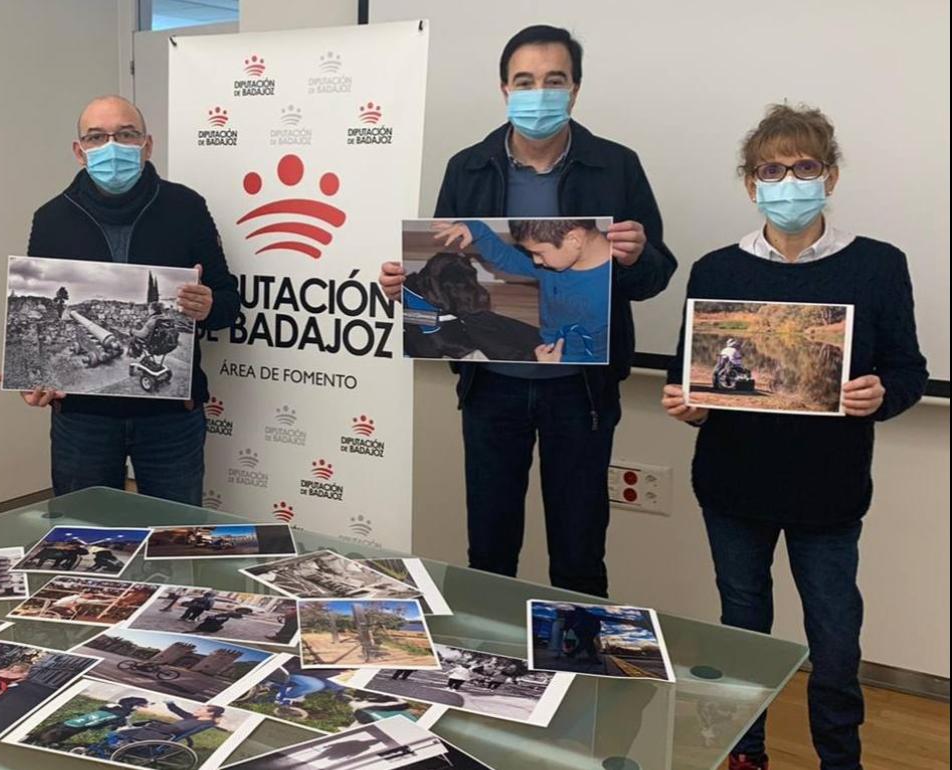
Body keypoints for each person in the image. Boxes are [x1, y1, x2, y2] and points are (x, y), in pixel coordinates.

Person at [662, 104, 927, 770]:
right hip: (732, 487)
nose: (788, 182)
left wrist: (882, 395)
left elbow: (908, 369)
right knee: (743, 635)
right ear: (750, 183)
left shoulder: (878, 265)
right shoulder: (716, 270)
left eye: (804, 167)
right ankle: (745, 753)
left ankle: (840, 759)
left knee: (835, 643)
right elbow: (689, 375)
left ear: (830, 176)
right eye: (771, 170)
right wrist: (689, 406)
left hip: (828, 492)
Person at [377, 26, 676, 591]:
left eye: (554, 81)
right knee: (490, 551)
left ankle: (580, 647)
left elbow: (655, 278)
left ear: (575, 90)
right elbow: (446, 263)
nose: (539, 94)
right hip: (492, 387)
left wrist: (637, 257)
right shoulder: (468, 167)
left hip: (581, 393)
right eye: (525, 81)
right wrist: (406, 283)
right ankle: (494, 648)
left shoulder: (616, 166)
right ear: (504, 89)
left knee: (580, 553)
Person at [14, 95, 241, 506]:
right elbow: (47, 306)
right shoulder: (51, 219)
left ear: (147, 145)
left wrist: (209, 306)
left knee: (176, 535)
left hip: (171, 419)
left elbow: (228, 302)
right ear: (79, 151)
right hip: (82, 420)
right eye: (96, 137)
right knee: (84, 532)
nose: (112, 146)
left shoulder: (186, 208)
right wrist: (34, 375)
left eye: (126, 134)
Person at [432, 217, 612, 362]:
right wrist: (477, 231)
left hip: (577, 360)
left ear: (574, 240)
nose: (536, 261)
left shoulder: (611, 284)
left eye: (539, 253)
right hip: (546, 341)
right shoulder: (559, 258)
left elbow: (610, 355)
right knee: (475, 319)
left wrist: (563, 363)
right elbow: (508, 258)